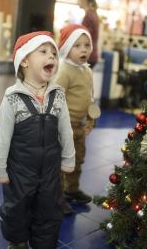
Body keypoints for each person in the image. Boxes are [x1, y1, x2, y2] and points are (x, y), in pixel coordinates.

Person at [0, 31, 75, 249]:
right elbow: (3, 138)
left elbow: (65, 129)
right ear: (25, 61)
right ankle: (17, 242)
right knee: (17, 209)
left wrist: (69, 158)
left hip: (50, 171)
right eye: (44, 51)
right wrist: (0, 169)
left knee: (49, 211)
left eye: (54, 54)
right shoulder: (12, 98)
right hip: (19, 172)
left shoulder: (57, 95)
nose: (51, 57)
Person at [54, 24, 101, 215]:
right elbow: (55, 98)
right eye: (77, 45)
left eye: (87, 45)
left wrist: (91, 120)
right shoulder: (64, 70)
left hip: (80, 126)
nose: (84, 49)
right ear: (66, 48)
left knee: (77, 160)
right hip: (64, 126)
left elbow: (90, 98)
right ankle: (56, 198)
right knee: (61, 163)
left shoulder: (87, 71)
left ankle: (71, 190)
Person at [77, 0, 100, 69]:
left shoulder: (89, 16)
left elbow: (85, 37)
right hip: (91, 55)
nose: (77, 1)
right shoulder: (92, 14)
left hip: (88, 56)